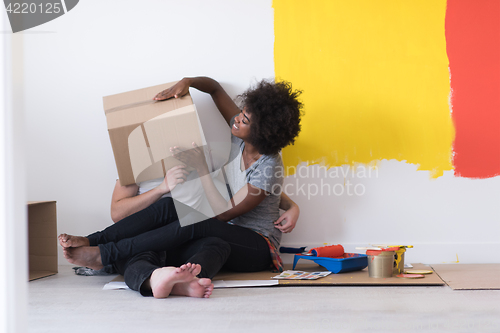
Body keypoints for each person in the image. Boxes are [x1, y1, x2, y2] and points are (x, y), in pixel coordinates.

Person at [59, 76, 302, 298]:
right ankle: (93, 241)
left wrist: (201, 167)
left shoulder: (268, 165)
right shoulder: (240, 135)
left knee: (198, 221)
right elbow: (215, 88)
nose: (237, 118)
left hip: (257, 246)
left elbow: (224, 213)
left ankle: (106, 255)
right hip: (225, 235)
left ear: (262, 133)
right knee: (170, 205)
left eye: (245, 119)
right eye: (241, 113)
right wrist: (188, 81)